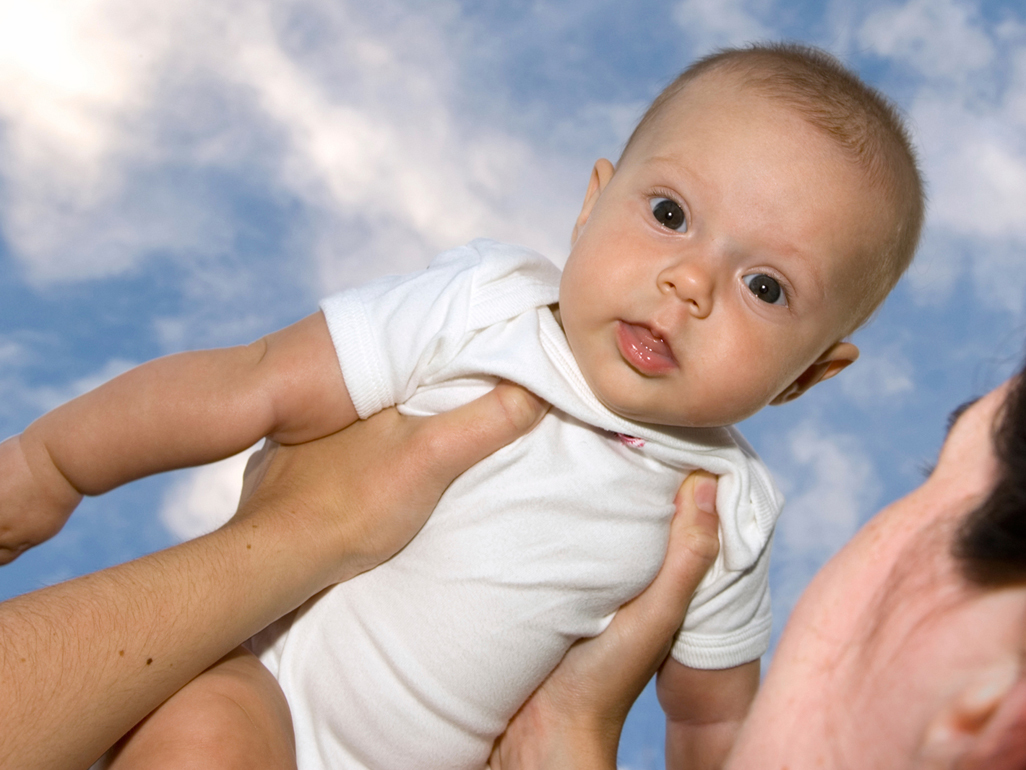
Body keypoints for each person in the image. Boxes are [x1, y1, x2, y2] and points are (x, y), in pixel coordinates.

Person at [0, 43, 925, 770]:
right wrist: (55, 464)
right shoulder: (484, 307)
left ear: (808, 374)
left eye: (765, 287)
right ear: (590, 205)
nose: (689, 282)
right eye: (672, 215)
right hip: (265, 687)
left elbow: (713, 721)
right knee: (205, 736)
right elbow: (253, 383)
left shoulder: (724, 508)